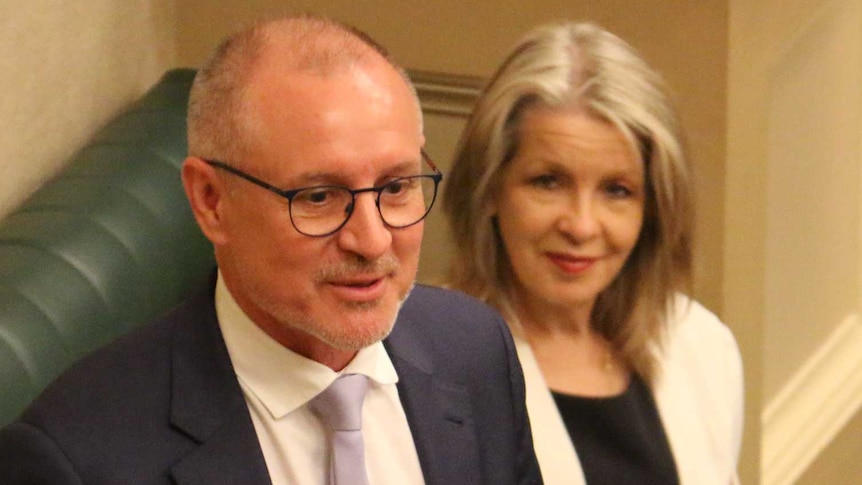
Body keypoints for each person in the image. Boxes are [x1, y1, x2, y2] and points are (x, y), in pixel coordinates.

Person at [0, 15, 542, 485]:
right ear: (211, 201)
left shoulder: (475, 351)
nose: (373, 240)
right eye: (319, 196)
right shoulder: (77, 460)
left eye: (397, 187)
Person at [443, 21, 743, 485]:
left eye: (617, 191)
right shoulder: (434, 369)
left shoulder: (701, 346)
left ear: (655, 208)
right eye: (548, 181)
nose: (581, 225)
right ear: (488, 190)